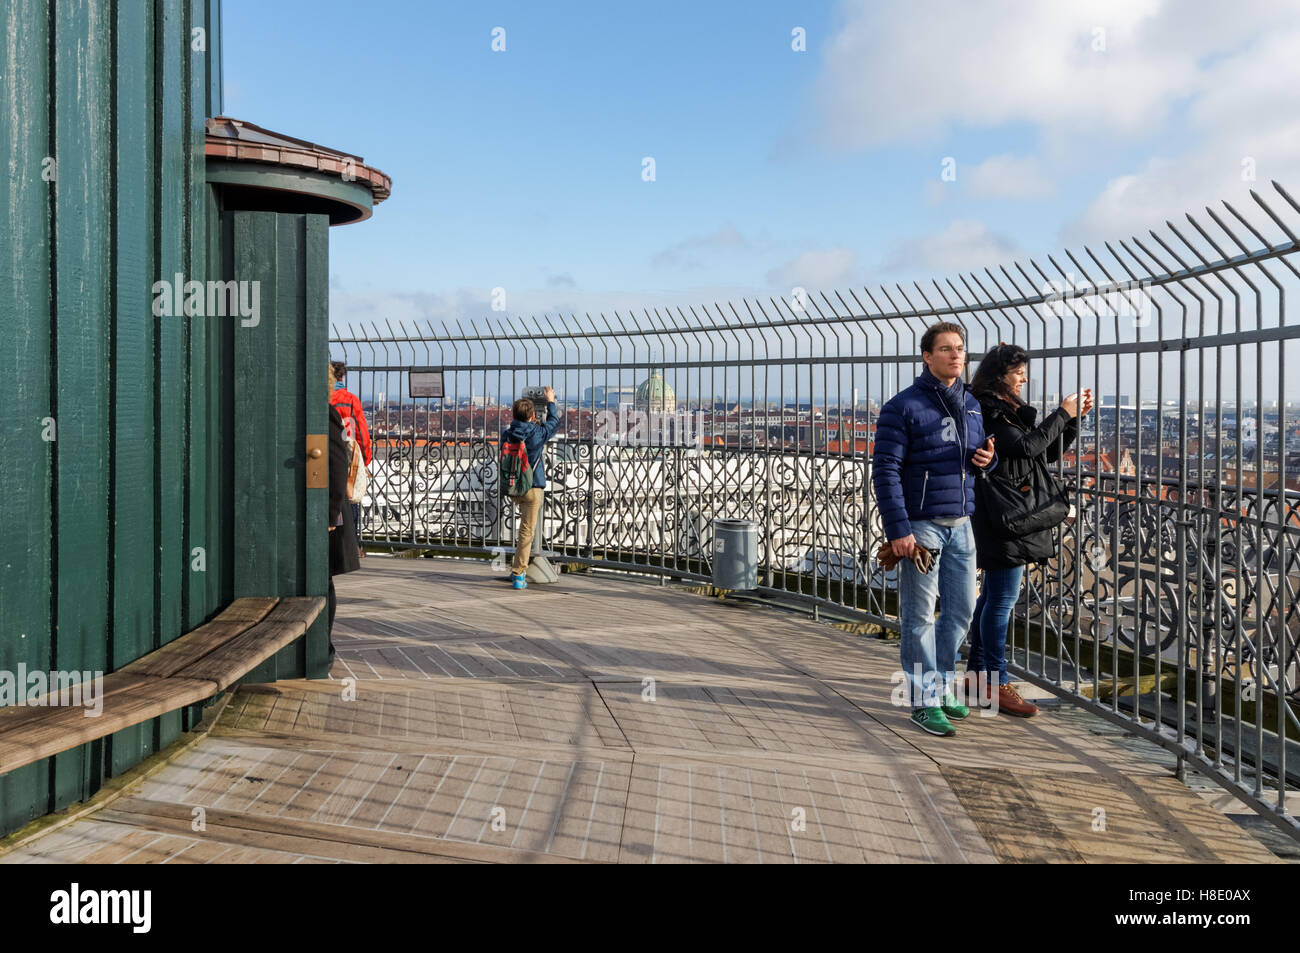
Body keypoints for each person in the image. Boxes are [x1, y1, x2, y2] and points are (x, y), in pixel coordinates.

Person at [873, 322, 996, 736]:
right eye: (946, 349)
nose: (956, 355)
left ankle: (942, 686)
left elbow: (977, 457)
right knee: (920, 616)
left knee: (961, 611)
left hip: (962, 524)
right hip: (922, 526)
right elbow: (885, 470)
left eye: (960, 349)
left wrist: (987, 461)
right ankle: (923, 701)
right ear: (927, 356)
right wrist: (898, 531)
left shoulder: (972, 403)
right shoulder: (903, 406)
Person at [966, 343, 1092, 716]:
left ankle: (978, 680)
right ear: (1000, 373)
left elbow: (1045, 452)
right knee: (1001, 600)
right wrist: (1062, 412)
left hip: (1009, 511)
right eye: (1018, 371)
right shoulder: (988, 408)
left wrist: (1072, 421)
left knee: (993, 598)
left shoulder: (1003, 408)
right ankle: (997, 682)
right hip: (1004, 513)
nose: (1023, 378)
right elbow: (1025, 447)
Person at [501, 387, 561, 589]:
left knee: (521, 529)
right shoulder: (537, 434)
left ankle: (514, 565)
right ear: (532, 415)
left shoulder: (507, 434)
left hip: (513, 486)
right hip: (532, 487)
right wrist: (550, 401)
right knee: (526, 532)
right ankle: (519, 573)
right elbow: (553, 423)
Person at [328, 403, 360, 665]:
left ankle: (322, 646)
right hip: (332, 507)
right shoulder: (342, 407)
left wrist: (330, 514)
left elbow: (338, 463)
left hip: (330, 510)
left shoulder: (328, 413)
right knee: (323, 579)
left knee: (322, 580)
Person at [329, 361, 371, 558]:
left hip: (325, 452)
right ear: (342, 378)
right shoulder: (349, 399)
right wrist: (365, 459)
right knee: (349, 499)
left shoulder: (320, 398)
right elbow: (361, 433)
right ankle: (350, 545)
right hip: (346, 452)